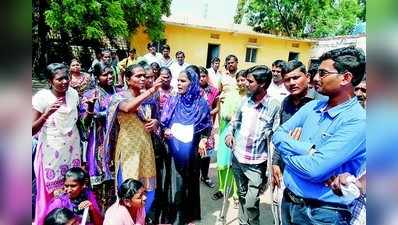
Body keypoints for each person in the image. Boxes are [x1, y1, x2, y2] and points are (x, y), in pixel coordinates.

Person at [272, 46, 366, 225]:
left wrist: (286, 151)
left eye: (323, 73)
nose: (315, 78)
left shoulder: (358, 122)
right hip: (289, 201)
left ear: (346, 77)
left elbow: (314, 170)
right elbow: (277, 134)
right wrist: (305, 149)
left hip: (321, 214)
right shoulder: (312, 107)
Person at [103, 64, 163, 213]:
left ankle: (140, 219)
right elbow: (128, 108)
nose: (143, 78)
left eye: (144, 75)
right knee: (129, 188)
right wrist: (150, 90)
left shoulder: (150, 98)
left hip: (145, 147)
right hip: (128, 148)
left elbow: (157, 118)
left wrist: (155, 122)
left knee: (148, 190)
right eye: (138, 76)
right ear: (128, 79)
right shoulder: (118, 97)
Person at [225, 65, 280, 225]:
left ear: (262, 84)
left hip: (256, 163)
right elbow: (233, 123)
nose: (245, 84)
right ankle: (243, 222)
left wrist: (273, 165)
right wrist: (229, 134)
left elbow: (276, 137)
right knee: (242, 194)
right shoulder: (244, 102)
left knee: (251, 200)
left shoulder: (274, 106)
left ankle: (252, 223)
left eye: (250, 81)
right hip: (237, 157)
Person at [270, 60, 321, 225]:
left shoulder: (320, 103)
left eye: (296, 78)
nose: (291, 83)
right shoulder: (286, 103)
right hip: (287, 171)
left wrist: (293, 143)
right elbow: (280, 134)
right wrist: (276, 162)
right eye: (287, 79)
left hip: (311, 176)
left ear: (307, 77)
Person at [161, 66, 212, 224]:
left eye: (183, 81)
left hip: (192, 149)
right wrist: (166, 130)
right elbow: (164, 121)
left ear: (193, 83)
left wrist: (203, 139)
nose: (179, 84)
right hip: (175, 148)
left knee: (190, 182)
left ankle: (188, 216)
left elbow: (206, 126)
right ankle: (175, 218)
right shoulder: (173, 100)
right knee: (176, 184)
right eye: (178, 81)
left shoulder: (201, 103)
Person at [33, 63, 82, 225]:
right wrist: (46, 114)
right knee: (53, 196)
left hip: (72, 150)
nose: (65, 81)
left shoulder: (73, 94)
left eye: (66, 77)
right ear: (50, 81)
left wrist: (88, 110)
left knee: (71, 191)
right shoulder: (42, 98)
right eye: (59, 79)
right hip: (51, 154)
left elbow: (78, 122)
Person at [80, 63, 118, 210]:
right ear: (96, 77)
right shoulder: (90, 95)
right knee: (98, 183)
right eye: (105, 74)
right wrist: (91, 110)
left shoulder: (119, 92)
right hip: (99, 142)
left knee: (114, 183)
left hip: (117, 141)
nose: (109, 77)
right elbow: (84, 123)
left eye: (111, 73)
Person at [212, 55, 241, 205]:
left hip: (239, 121)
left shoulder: (242, 77)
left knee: (236, 156)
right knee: (223, 155)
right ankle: (223, 188)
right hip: (224, 119)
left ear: (237, 63)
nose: (230, 64)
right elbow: (218, 95)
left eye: (233, 62)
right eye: (228, 62)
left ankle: (236, 192)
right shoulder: (222, 78)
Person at [198, 66, 219, 188]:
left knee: (206, 153)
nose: (201, 79)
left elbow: (216, 108)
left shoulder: (214, 90)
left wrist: (207, 113)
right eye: (199, 76)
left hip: (208, 126)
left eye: (203, 76)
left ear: (207, 77)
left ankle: (205, 176)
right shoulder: (193, 90)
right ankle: (194, 175)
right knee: (196, 152)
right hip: (195, 126)